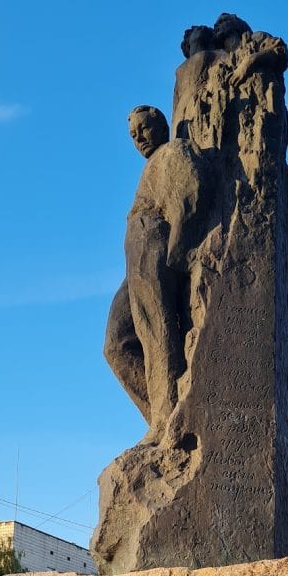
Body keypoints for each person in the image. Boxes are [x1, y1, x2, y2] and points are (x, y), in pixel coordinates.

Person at [104, 105, 211, 439]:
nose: (139, 138)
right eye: (134, 135)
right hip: (135, 259)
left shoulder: (171, 152)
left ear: (161, 125)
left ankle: (167, 421)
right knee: (116, 344)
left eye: (143, 129)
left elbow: (191, 194)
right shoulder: (151, 165)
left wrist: (178, 252)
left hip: (154, 247)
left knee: (157, 332)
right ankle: (162, 418)